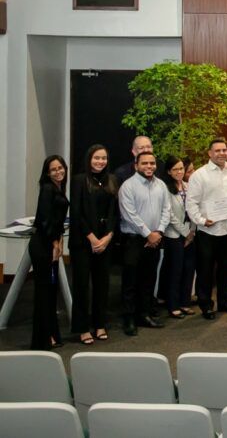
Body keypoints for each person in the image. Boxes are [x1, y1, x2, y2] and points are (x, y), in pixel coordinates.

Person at [186, 138, 227, 320]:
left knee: (226, 268)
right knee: (205, 270)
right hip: (208, 231)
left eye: (224, 150)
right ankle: (205, 304)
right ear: (209, 153)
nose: (222, 153)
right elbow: (191, 203)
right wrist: (202, 221)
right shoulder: (199, 175)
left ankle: (225, 302)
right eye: (217, 150)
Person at [118, 151, 171, 335]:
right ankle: (129, 319)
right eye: (145, 163)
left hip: (155, 238)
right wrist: (148, 234)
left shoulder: (161, 185)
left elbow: (167, 210)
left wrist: (159, 232)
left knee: (148, 280)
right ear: (136, 166)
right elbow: (129, 215)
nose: (149, 166)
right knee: (130, 282)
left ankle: (144, 314)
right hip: (134, 240)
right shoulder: (128, 186)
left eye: (152, 163)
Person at [69, 145, 117, 344]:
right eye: (96, 158)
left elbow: (114, 212)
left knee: (102, 285)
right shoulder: (79, 180)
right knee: (81, 286)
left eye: (104, 158)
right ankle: (82, 328)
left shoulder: (112, 180)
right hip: (83, 242)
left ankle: (100, 324)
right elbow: (76, 213)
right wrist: (92, 238)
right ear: (89, 159)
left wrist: (108, 236)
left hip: (105, 241)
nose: (100, 161)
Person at [30, 155, 68, 350]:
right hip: (42, 245)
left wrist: (59, 241)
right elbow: (44, 220)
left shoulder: (58, 187)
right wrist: (54, 243)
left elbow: (57, 221)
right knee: (44, 294)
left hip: (51, 243)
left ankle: (51, 335)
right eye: (53, 169)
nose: (58, 172)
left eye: (60, 168)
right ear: (47, 173)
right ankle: (42, 339)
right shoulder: (47, 189)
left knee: (51, 293)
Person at [160, 156, 196, 320]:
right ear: (169, 171)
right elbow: (170, 215)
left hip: (190, 234)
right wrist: (185, 233)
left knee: (189, 269)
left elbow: (194, 210)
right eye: (175, 169)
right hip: (174, 235)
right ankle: (173, 305)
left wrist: (192, 232)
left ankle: (185, 302)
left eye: (181, 168)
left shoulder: (189, 187)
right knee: (175, 270)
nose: (179, 172)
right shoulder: (165, 189)